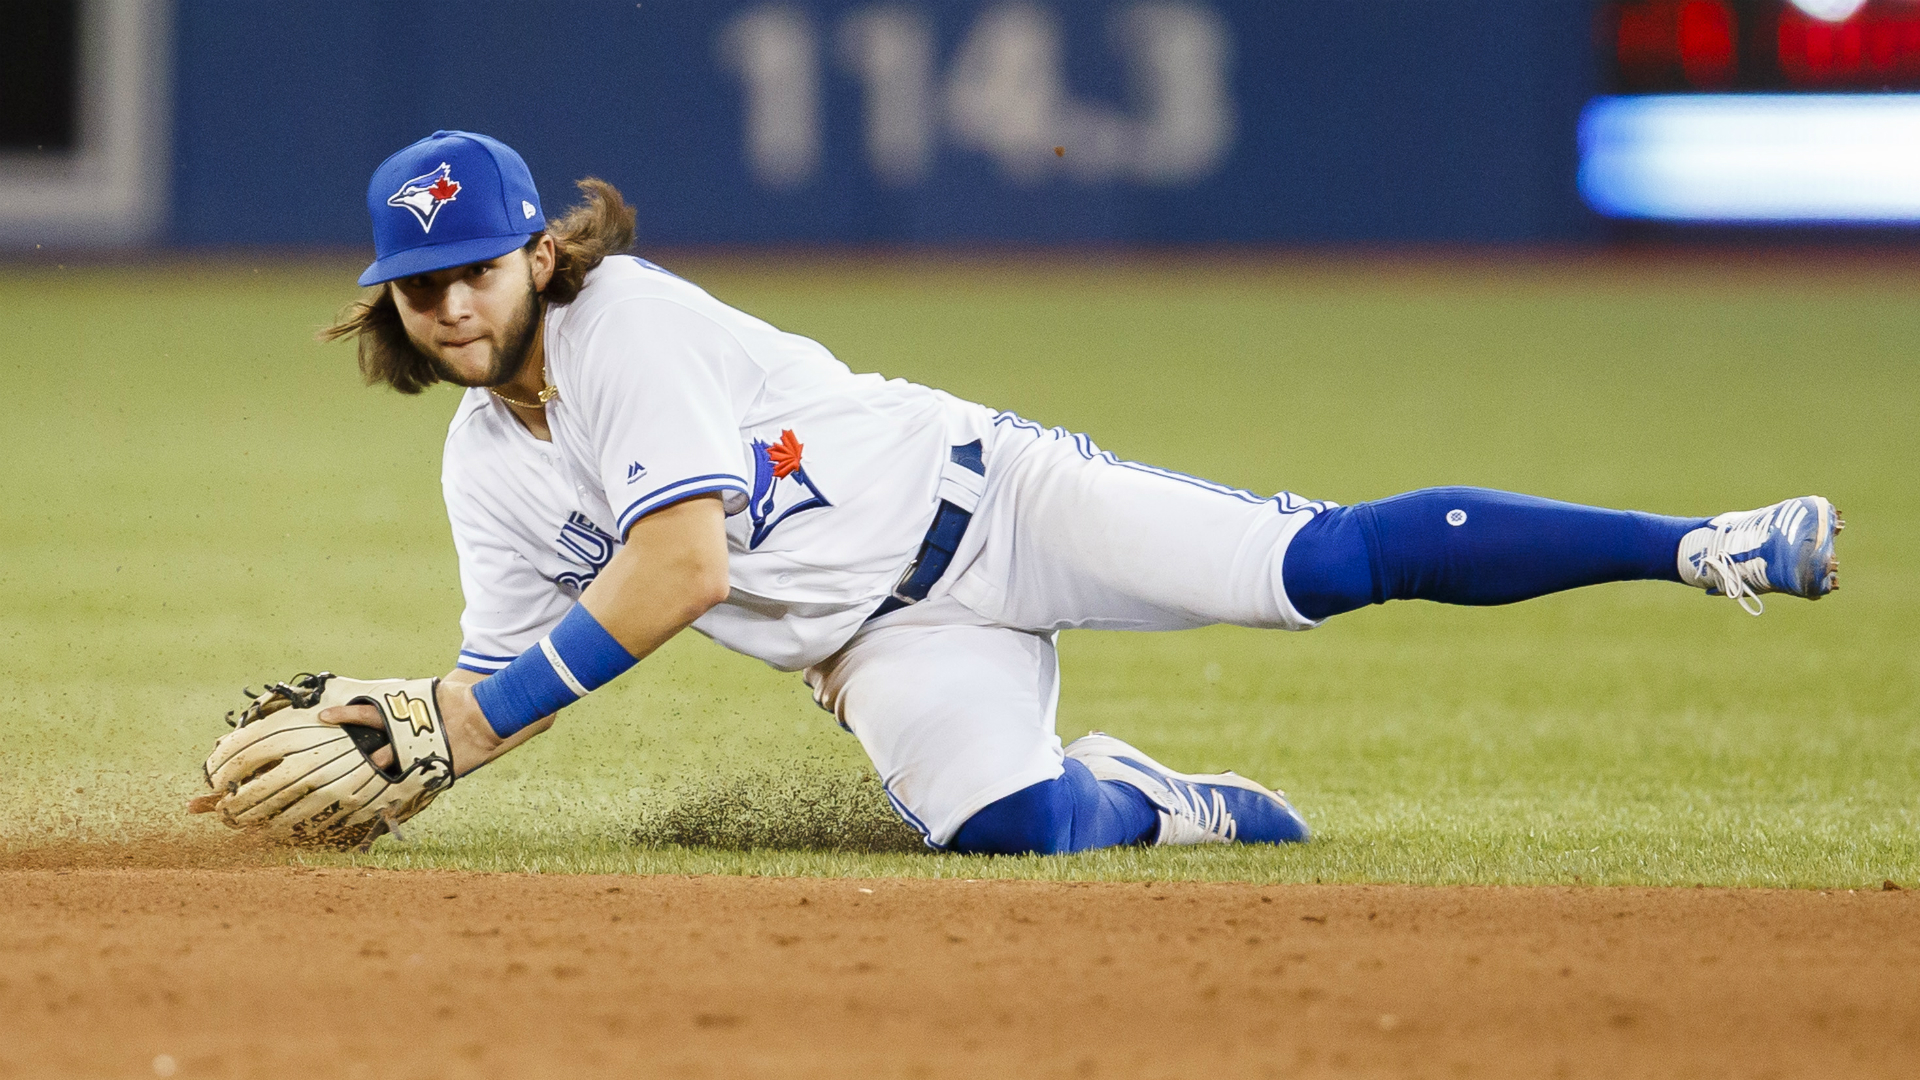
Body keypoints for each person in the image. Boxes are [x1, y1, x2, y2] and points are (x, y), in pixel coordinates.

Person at [319, 131, 1843, 856]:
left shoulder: (624, 322)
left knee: (1313, 565)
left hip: (1001, 505)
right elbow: (499, 667)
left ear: (539, 253)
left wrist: (460, 731)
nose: (447, 303)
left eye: (471, 267)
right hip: (882, 648)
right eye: (415, 284)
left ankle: (1701, 544)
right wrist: (393, 766)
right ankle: (1159, 799)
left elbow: (679, 573)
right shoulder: (485, 464)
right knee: (1012, 832)